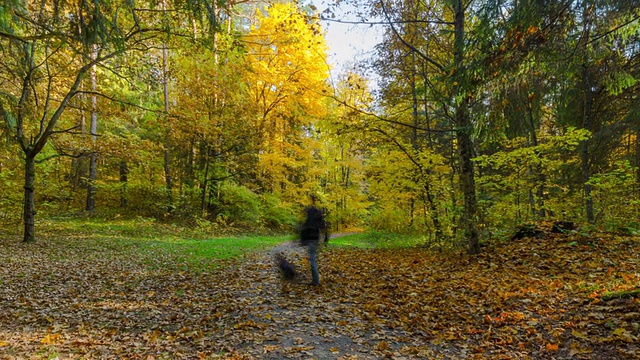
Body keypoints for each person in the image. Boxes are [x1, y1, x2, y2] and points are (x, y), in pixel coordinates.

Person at [300, 195, 328, 285]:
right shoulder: (318, 214)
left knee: (312, 259)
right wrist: (326, 238)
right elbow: (323, 227)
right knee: (312, 258)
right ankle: (315, 279)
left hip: (310, 238)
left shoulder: (309, 214)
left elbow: (304, 226)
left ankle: (316, 281)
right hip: (315, 238)